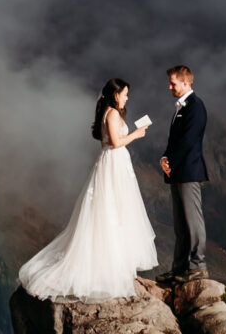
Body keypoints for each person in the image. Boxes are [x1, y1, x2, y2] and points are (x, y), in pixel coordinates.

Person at [15, 77, 158, 301]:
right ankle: (110, 267)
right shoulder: (111, 113)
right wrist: (136, 135)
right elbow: (115, 141)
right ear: (116, 94)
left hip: (116, 164)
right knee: (111, 210)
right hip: (113, 163)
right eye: (125, 94)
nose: (127, 98)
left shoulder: (111, 112)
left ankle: (117, 263)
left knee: (117, 210)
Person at [157, 63, 208, 283]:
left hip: (188, 171)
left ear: (185, 82)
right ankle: (179, 268)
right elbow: (175, 140)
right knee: (180, 224)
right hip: (178, 171)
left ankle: (198, 265)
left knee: (193, 220)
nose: (170, 87)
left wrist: (173, 161)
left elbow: (188, 141)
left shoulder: (195, 106)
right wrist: (165, 158)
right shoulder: (182, 107)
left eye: (173, 83)